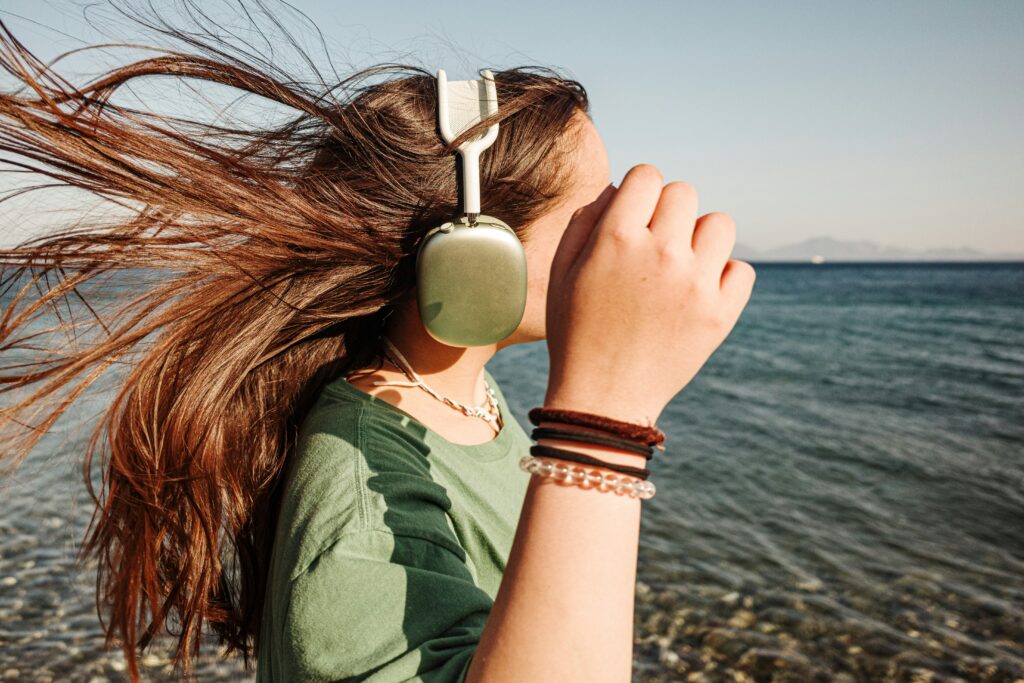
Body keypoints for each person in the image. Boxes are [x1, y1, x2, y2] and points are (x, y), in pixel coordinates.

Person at [0, 2, 754, 681]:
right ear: (472, 255)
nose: (624, 234)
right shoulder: (357, 500)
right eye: (595, 211)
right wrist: (605, 411)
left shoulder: (465, 398)